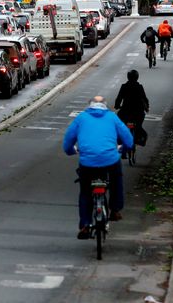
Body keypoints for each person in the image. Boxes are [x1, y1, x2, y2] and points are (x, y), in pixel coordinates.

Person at [63, 96, 134, 240]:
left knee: (85, 193)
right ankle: (115, 209)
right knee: (116, 181)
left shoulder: (81, 118)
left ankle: (85, 224)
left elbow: (68, 141)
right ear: (105, 106)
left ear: (89, 106)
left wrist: (71, 151)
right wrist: (123, 150)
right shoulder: (112, 117)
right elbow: (128, 140)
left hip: (87, 162)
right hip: (110, 160)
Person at [114, 70, 149, 156]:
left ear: (128, 77)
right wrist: (147, 107)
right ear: (137, 77)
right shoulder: (139, 87)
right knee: (139, 126)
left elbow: (119, 98)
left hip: (125, 112)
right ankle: (139, 139)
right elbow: (144, 99)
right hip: (138, 112)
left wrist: (117, 105)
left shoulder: (124, 86)